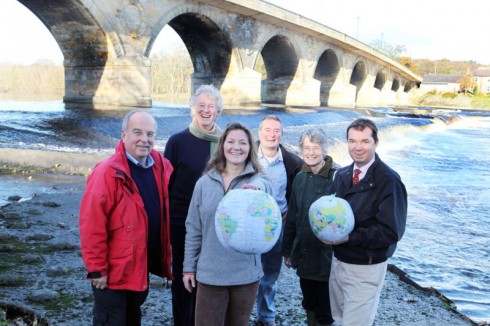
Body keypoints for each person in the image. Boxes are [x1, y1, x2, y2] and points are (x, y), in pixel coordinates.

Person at [79, 110, 173, 326]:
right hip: (112, 273)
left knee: (132, 318)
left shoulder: (159, 166)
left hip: (139, 267)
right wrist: (96, 269)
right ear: (123, 135)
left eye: (150, 134)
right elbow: (91, 225)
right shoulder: (107, 172)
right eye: (137, 132)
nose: (144, 139)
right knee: (112, 320)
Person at [182, 122, 273, 326]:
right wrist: (188, 268)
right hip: (210, 275)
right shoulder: (204, 183)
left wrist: (255, 190)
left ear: (250, 148)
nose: (236, 147)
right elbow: (194, 228)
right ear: (222, 146)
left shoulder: (260, 180)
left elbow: (264, 187)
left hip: (245, 276)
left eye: (243, 142)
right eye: (231, 141)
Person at [326, 118, 408, 326]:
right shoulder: (342, 175)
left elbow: (391, 231)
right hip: (338, 261)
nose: (358, 147)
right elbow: (332, 213)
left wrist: (349, 237)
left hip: (366, 266)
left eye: (364, 141)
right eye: (352, 141)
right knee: (339, 318)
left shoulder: (389, 180)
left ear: (376, 143)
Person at [163, 85, 224, 326]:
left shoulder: (226, 143)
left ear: (218, 111)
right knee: (183, 276)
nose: (206, 111)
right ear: (193, 109)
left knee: (210, 276)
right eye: (201, 106)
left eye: (211, 106)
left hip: (217, 223)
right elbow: (166, 185)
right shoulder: (177, 142)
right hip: (182, 223)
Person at [282, 128, 336, 326]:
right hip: (304, 253)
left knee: (325, 307)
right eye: (306, 147)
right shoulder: (299, 177)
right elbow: (293, 216)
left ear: (324, 150)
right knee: (308, 302)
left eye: (316, 148)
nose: (311, 152)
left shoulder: (337, 177)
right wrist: (287, 250)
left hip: (327, 257)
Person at [255, 115, 303, 326]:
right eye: (267, 130)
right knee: (244, 270)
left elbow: (297, 195)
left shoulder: (292, 162)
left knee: (270, 273)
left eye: (276, 131)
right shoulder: (247, 156)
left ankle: (266, 315)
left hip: (278, 225)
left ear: (281, 135)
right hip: (250, 224)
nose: (271, 135)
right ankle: (239, 313)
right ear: (259, 133)